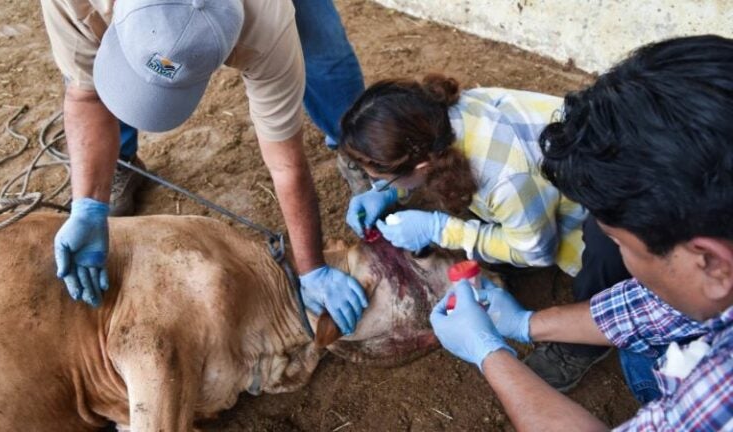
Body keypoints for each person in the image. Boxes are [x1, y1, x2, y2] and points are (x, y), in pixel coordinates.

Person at [430, 34, 733, 429]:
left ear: (711, 262)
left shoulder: (722, 385)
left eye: (620, 243)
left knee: (644, 361)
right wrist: (523, 323)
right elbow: (654, 308)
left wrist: (490, 354)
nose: (617, 255)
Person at [40, 0, 367, 335]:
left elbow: (285, 165)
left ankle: (356, 143)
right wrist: (89, 205)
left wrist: (311, 268)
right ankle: (121, 160)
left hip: (257, 18)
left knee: (320, 46)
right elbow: (86, 94)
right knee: (106, 81)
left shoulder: (266, 23)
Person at [337, 74, 629, 390]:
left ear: (421, 166)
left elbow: (536, 250)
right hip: (557, 181)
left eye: (386, 179)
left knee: (605, 255)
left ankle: (582, 346)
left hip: (613, 208)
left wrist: (443, 229)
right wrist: (393, 192)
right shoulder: (439, 119)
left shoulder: (503, 178)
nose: (382, 185)